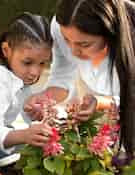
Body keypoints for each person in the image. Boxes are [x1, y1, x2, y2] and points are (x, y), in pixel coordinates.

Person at [24, 0, 135, 154]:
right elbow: (61, 76)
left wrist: (101, 102)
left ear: (110, 32)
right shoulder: (62, 26)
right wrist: (45, 98)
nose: (73, 51)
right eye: (66, 40)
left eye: (84, 44)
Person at [0, 12, 53, 165]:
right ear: (6, 50)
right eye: (27, 62)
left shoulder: (18, 77)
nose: (35, 72)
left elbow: (22, 116)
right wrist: (24, 135)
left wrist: (35, 114)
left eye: (42, 63)